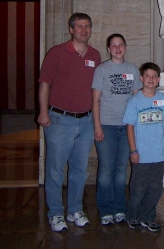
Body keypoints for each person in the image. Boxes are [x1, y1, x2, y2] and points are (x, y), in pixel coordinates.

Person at [37, 13, 101, 232]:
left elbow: (96, 89)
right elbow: (44, 84)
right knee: (55, 169)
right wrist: (43, 113)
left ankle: (74, 209)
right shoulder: (57, 53)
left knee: (79, 169)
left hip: (85, 121)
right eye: (80, 26)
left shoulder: (95, 55)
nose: (84, 30)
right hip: (59, 119)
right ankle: (55, 213)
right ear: (71, 29)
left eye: (87, 26)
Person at [92, 34, 142, 225]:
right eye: (114, 45)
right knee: (106, 168)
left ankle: (120, 208)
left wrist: (136, 128)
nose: (118, 48)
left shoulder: (132, 70)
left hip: (126, 127)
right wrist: (97, 125)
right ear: (108, 49)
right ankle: (105, 208)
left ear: (126, 47)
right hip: (106, 125)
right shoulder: (102, 70)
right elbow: (95, 100)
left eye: (121, 45)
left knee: (121, 169)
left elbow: (137, 100)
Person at [122, 62, 164, 232]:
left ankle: (148, 217)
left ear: (158, 79)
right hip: (141, 155)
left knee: (155, 188)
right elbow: (130, 126)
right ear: (141, 78)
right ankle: (133, 216)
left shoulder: (163, 100)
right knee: (138, 188)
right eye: (147, 76)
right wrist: (133, 150)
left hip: (159, 154)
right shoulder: (135, 101)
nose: (151, 79)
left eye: (154, 76)